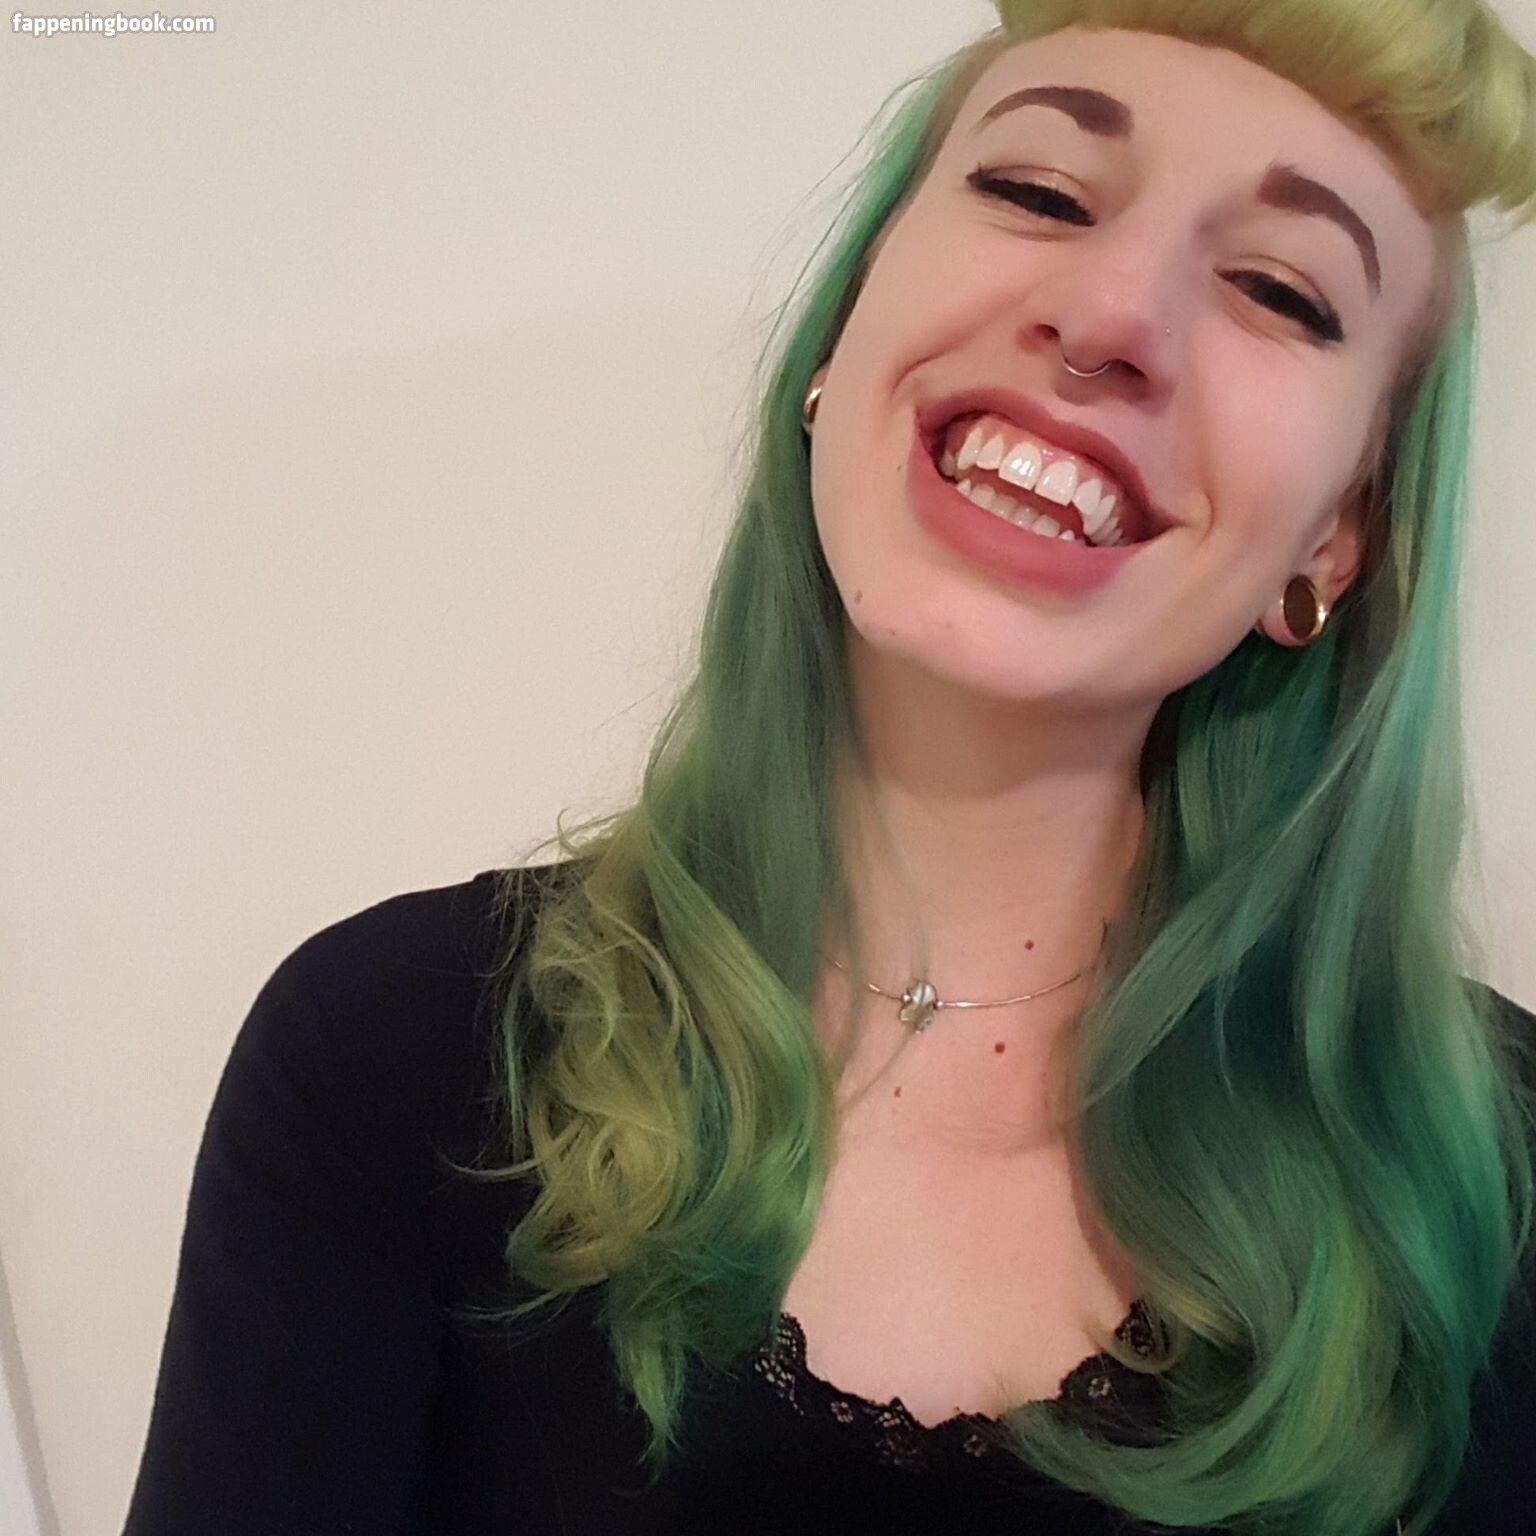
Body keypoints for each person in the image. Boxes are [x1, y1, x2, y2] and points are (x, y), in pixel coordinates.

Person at [122, 3, 1536, 1533]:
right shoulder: (388, 1060)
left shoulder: (1494, 1179)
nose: (1113, 313)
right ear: (843, 338)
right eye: (1040, 191)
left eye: (1277, 288)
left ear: (1337, 536)